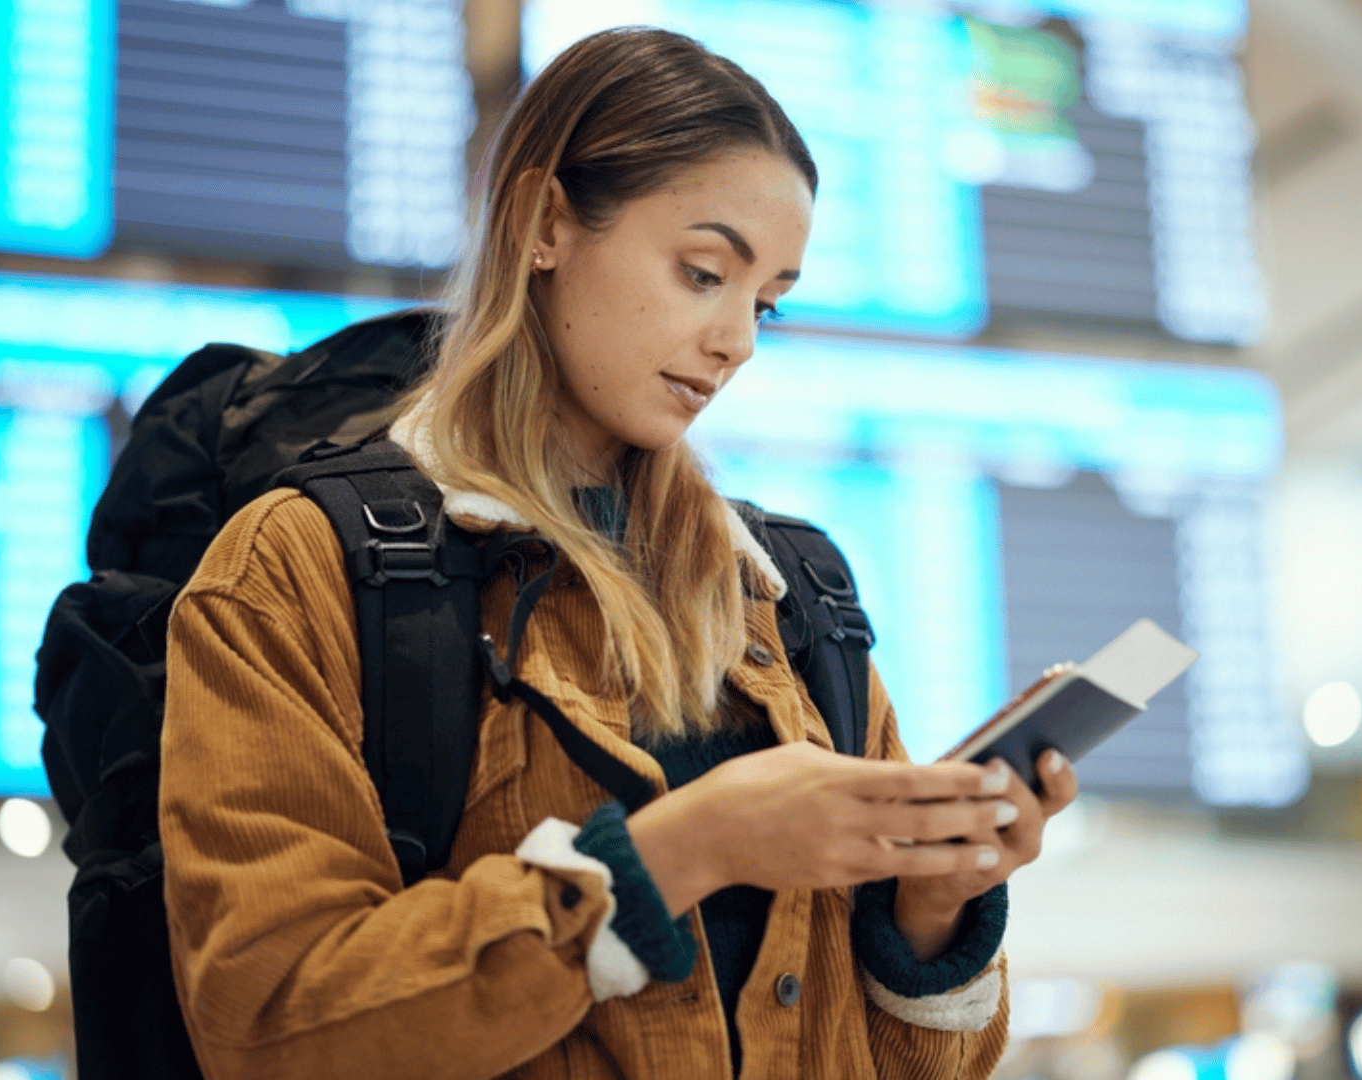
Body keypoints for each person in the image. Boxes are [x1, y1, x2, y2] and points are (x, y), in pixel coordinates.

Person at [158, 26, 1078, 1080]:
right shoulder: (298, 566)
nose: (738, 340)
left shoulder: (788, 598)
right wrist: (684, 852)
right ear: (547, 223)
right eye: (702, 273)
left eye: (766, 301)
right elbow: (274, 1026)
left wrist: (931, 906)